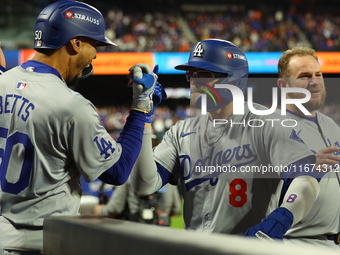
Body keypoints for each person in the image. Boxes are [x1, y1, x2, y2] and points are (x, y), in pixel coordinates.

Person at [130, 39, 340, 240]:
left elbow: (306, 179)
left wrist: (282, 218)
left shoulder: (268, 122)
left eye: (205, 74)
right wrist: (143, 115)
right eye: (192, 74)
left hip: (247, 247)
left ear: (235, 80)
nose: (195, 82)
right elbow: (144, 185)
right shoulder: (181, 131)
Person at [0, 1, 160, 254]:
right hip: (41, 241)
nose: (95, 54)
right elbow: (117, 171)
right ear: (75, 43)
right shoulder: (72, 105)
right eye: (94, 44)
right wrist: (141, 108)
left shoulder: (2, 81)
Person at [276, 47, 340, 247]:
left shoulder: (331, 125)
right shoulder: (270, 128)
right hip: (293, 243)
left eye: (318, 74)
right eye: (304, 76)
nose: (314, 81)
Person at [93, 178, 181, 226]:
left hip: (137, 232)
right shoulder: (168, 177)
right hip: (163, 233)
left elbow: (115, 208)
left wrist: (99, 210)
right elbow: (176, 209)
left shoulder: (129, 173)